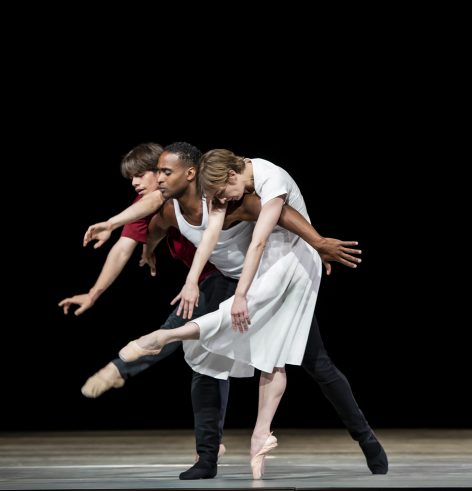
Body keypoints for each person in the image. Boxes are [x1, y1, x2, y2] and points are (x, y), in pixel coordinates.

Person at [87, 143, 388, 479]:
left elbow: (277, 221)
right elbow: (156, 225)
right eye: (156, 174)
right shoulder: (182, 204)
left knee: (316, 363)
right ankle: (207, 456)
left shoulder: (236, 196)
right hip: (227, 279)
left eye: (164, 173)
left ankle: (365, 438)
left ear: (192, 175)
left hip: (269, 275)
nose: (157, 180)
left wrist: (317, 242)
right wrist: (144, 247)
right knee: (206, 360)